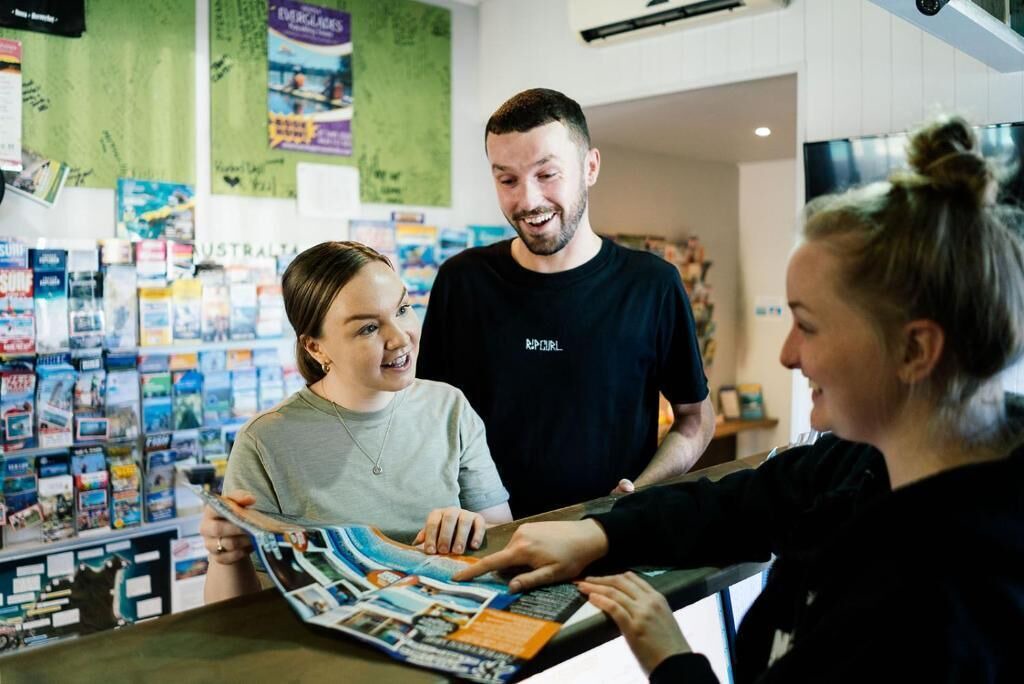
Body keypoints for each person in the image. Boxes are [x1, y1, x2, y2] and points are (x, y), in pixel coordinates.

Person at [454, 115, 1024, 682]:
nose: (786, 356)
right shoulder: (860, 462)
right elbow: (743, 502)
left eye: (809, 325)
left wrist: (671, 659)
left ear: (915, 349)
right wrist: (600, 532)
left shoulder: (948, 600)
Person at [418, 88, 715, 518]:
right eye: (507, 180)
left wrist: (640, 491)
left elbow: (695, 417)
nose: (527, 201)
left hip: (605, 540)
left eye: (547, 174)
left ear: (589, 167)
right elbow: (427, 420)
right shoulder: (462, 281)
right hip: (486, 540)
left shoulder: (651, 285)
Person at [202, 242, 512, 603]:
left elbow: (502, 535)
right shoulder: (265, 441)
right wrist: (225, 558)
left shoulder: (449, 406)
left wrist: (473, 527)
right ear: (315, 348)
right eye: (368, 328)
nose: (399, 338)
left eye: (403, 309)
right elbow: (237, 609)